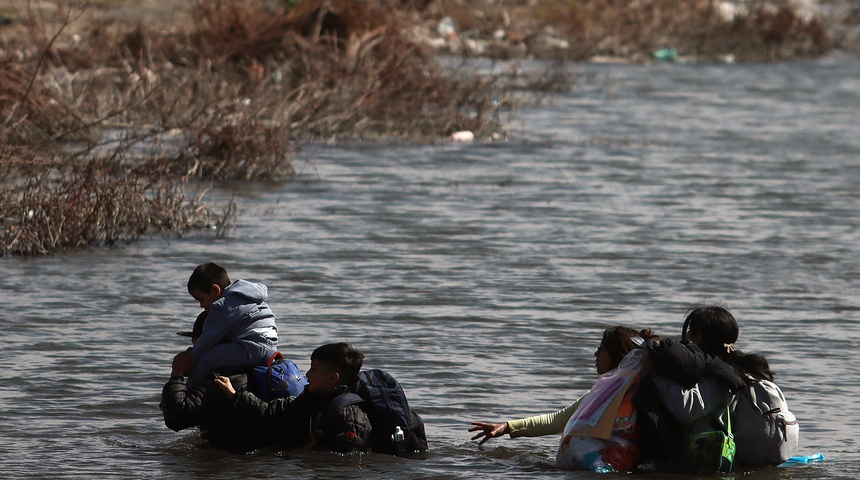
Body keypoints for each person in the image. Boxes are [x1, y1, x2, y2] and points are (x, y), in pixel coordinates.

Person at [469, 326, 658, 472]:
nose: (595, 354)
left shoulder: (641, 393)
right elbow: (559, 420)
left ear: (619, 355)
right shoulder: (601, 394)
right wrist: (507, 427)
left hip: (609, 469)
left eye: (600, 349)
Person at [635, 304, 778, 471]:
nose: (685, 335)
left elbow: (686, 409)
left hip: (716, 459)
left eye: (689, 331)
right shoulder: (729, 367)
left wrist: (656, 372)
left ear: (697, 337)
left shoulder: (721, 374)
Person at [214, 342, 372, 454]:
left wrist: (311, 453)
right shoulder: (312, 399)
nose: (308, 374)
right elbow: (272, 413)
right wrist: (235, 395)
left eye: (314, 369)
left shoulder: (348, 414)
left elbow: (350, 462)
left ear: (332, 378)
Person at [160, 317, 272, 453]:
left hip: (232, 462)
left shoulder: (218, 381)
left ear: (208, 343)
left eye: (196, 343)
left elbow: (176, 417)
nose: (191, 349)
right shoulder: (255, 367)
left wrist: (177, 372)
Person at [176, 262, 279, 387]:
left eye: (201, 299)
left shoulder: (224, 305)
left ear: (215, 290)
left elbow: (209, 338)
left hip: (252, 346)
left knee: (206, 359)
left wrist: (191, 357)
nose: (201, 305)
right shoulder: (248, 297)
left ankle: (189, 391)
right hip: (271, 345)